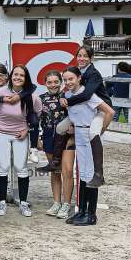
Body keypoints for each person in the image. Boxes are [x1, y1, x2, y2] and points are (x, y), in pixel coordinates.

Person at [44, 45, 112, 188]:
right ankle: (55, 161)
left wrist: (67, 101)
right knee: (61, 128)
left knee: (94, 133)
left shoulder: (93, 73)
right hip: (84, 108)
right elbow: (67, 88)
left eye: (85, 56)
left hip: (99, 108)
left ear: (91, 58)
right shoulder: (78, 71)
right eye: (79, 55)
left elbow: (87, 95)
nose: (81, 58)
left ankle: (99, 174)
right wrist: (62, 96)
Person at [0, 65, 42, 217]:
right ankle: (2, 201)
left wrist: (28, 129)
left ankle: (23, 202)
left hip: (20, 133)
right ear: (10, 76)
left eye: (22, 75)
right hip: (2, 133)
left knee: (21, 167)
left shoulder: (31, 96)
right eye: (15, 74)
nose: (18, 77)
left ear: (26, 79)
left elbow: (37, 114)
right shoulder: (0, 92)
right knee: (3, 167)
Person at [62, 66, 114, 225]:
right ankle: (81, 211)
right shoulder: (68, 95)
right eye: (65, 79)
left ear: (78, 78)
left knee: (91, 175)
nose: (68, 82)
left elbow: (109, 112)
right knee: (83, 174)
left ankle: (91, 214)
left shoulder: (89, 95)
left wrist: (100, 131)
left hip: (89, 135)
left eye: (71, 79)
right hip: (78, 135)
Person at [39, 70, 73, 219]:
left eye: (56, 82)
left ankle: (66, 204)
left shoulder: (68, 96)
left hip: (66, 137)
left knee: (67, 170)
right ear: (45, 83)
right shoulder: (40, 99)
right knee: (55, 170)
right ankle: (56, 202)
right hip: (48, 136)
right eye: (49, 82)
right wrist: (38, 138)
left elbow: (77, 115)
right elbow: (34, 120)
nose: (53, 85)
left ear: (61, 82)